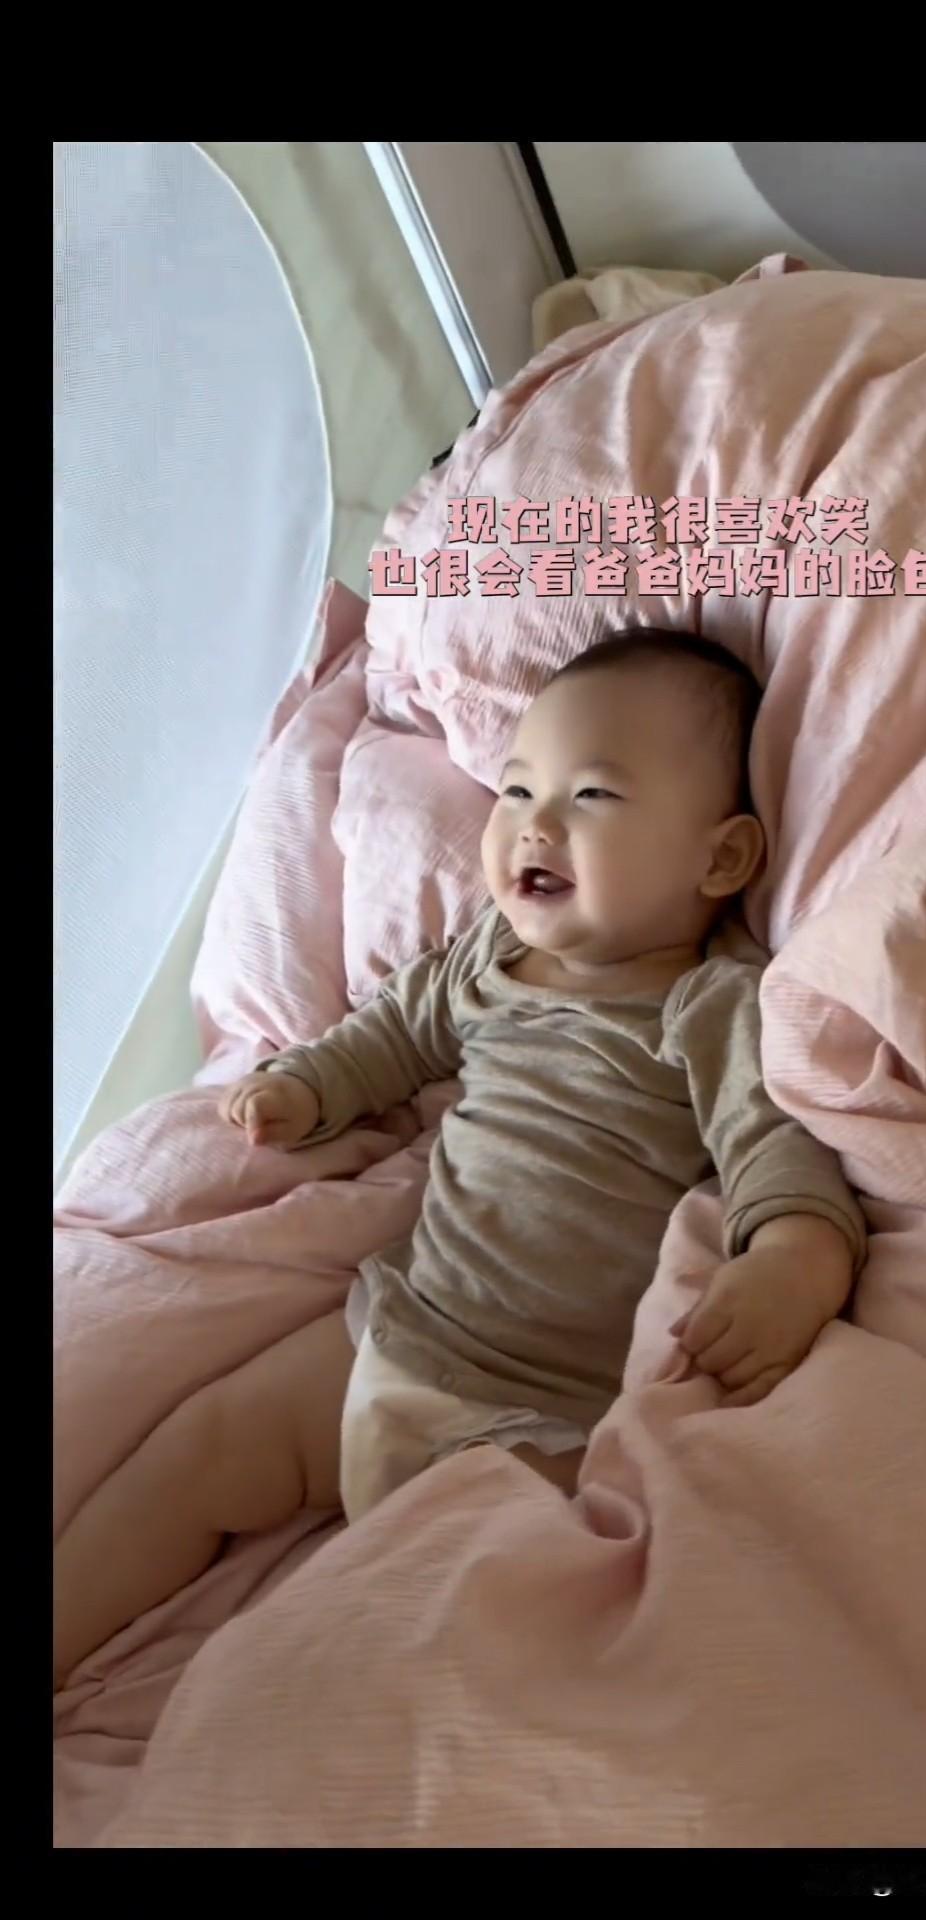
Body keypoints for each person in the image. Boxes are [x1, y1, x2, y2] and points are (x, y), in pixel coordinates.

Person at [54, 629, 865, 1687]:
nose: (535, 822)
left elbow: (773, 1142)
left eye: (592, 796)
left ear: (720, 859)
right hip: (401, 1329)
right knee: (202, 1447)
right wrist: (312, 1085)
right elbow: (396, 1032)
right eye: (518, 788)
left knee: (436, 1627)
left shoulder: (710, 1004)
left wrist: (797, 1256)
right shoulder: (490, 955)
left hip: (542, 1420)